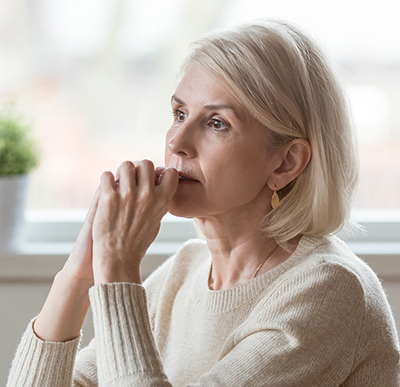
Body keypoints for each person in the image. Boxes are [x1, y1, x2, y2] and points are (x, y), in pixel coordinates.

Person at [7, 19, 400, 387]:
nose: (176, 143)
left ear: (286, 162)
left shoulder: (330, 290)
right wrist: (79, 273)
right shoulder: (184, 273)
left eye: (216, 123)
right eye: (179, 113)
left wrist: (119, 269)